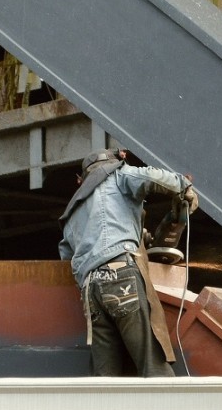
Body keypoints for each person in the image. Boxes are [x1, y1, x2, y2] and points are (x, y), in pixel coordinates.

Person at [58, 148, 198, 377]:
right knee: (152, 364)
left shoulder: (72, 210)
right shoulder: (116, 174)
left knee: (106, 378)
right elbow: (149, 177)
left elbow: (66, 254)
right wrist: (182, 184)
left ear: (80, 180)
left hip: (90, 291)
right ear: (114, 163)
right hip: (120, 276)